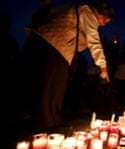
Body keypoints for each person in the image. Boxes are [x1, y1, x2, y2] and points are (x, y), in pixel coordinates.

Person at [17, 0, 115, 131]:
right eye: (105, 21)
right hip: (56, 46)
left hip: (51, 44)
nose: (103, 25)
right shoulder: (88, 14)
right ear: (101, 14)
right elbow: (94, 41)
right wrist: (103, 67)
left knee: (52, 83)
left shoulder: (80, 11)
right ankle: (47, 121)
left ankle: (48, 118)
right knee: (53, 84)